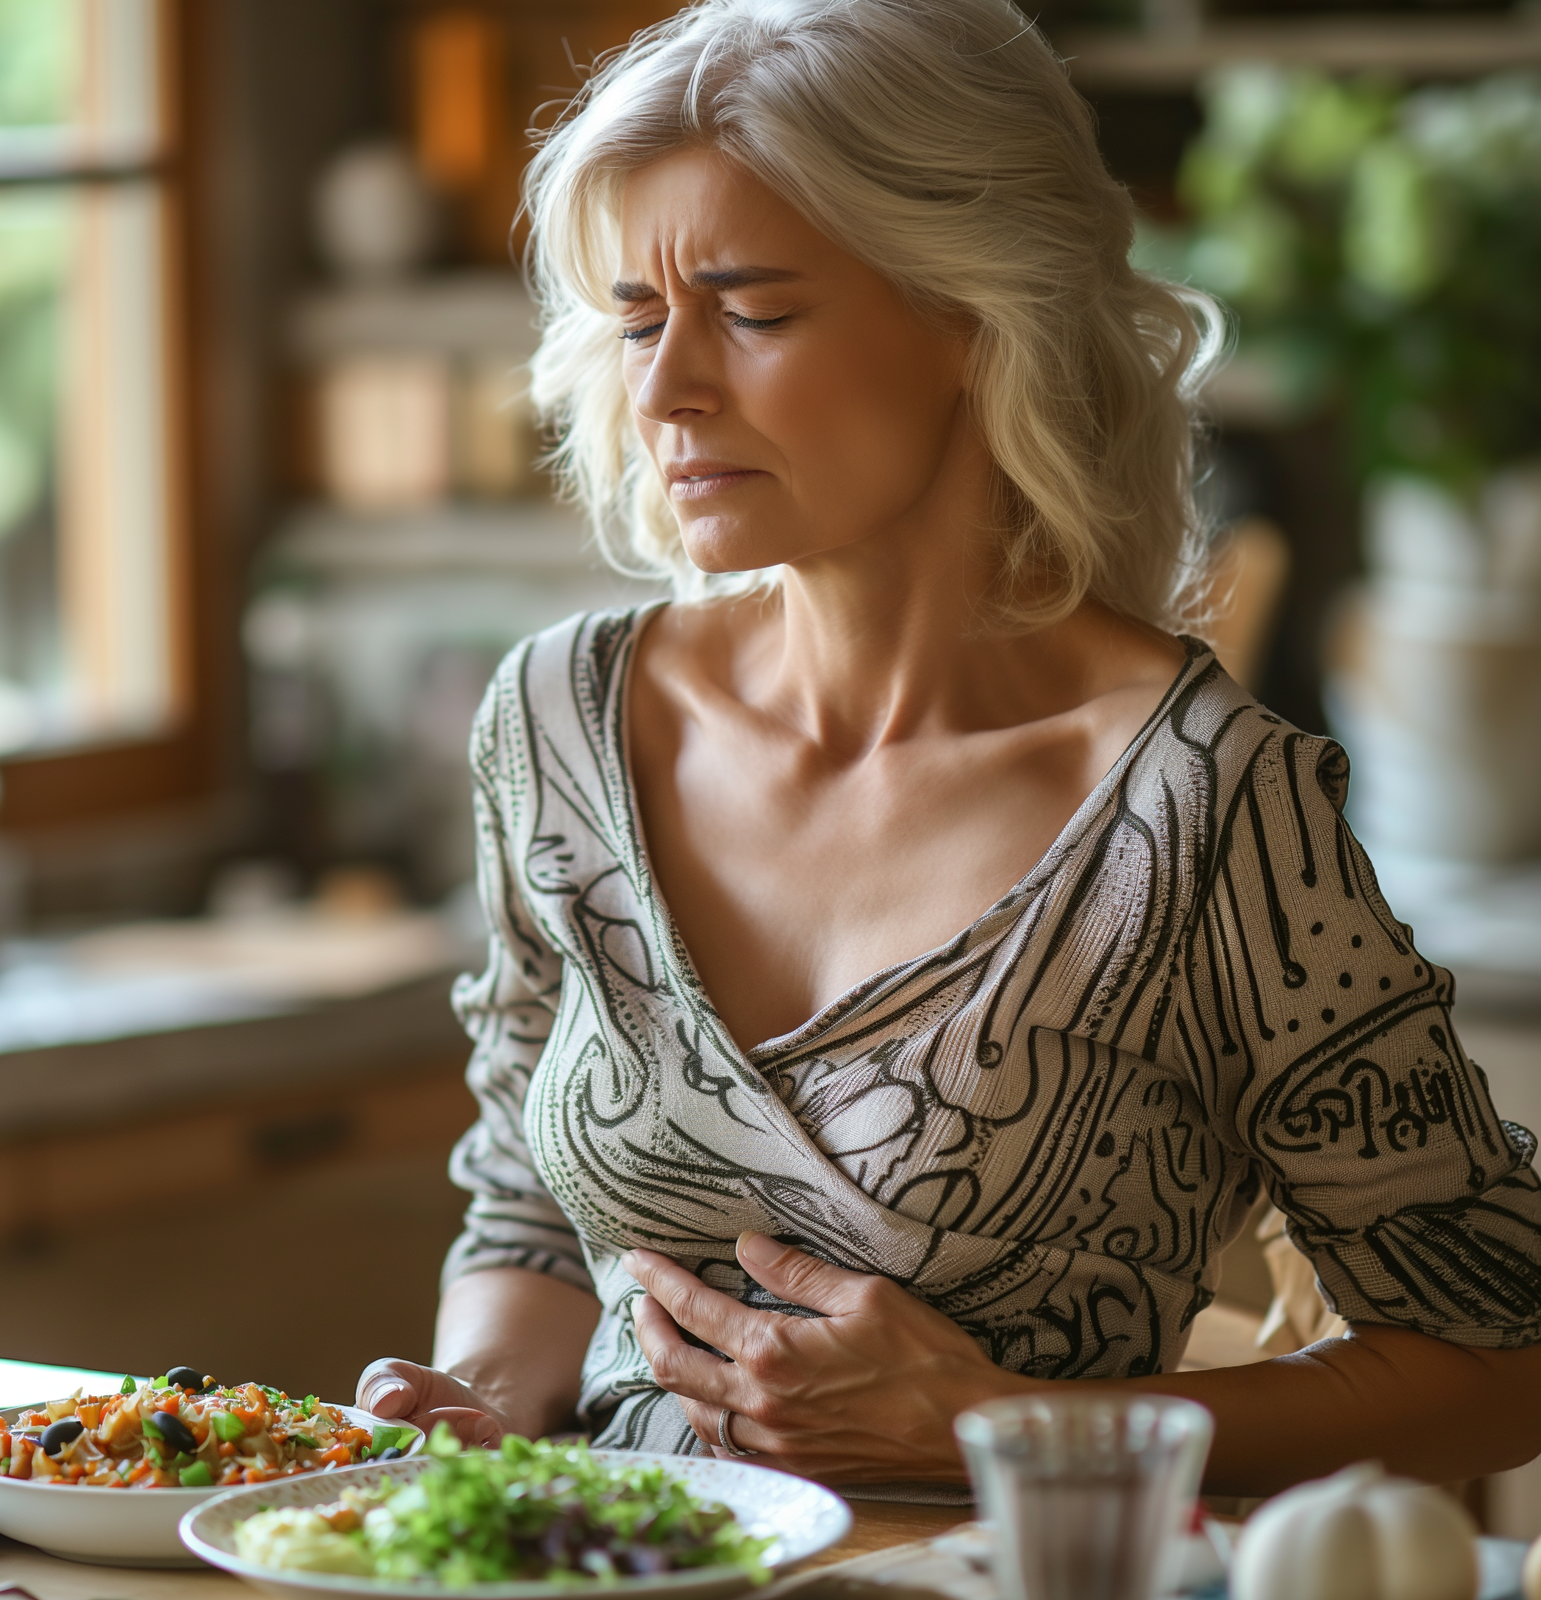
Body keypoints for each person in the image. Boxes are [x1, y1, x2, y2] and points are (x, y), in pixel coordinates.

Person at [358, 0, 1541, 1497]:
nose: (664, 393)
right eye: (640, 321)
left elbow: (1505, 1362)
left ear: (978, 318)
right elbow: (534, 1209)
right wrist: (464, 1405)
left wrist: (1009, 1429)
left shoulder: (1199, 803)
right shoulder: (556, 725)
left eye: (753, 311)